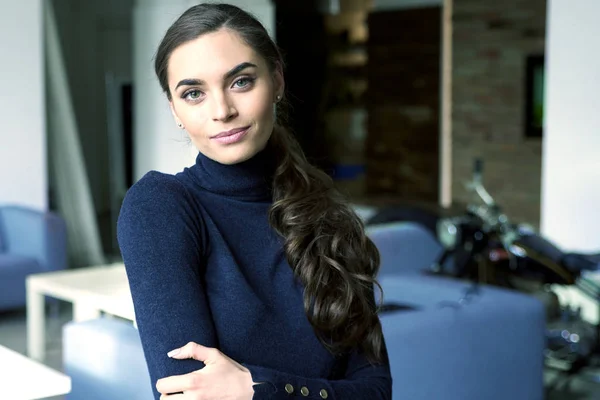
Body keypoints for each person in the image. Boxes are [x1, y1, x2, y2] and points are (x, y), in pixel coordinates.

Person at [117, 3, 392, 399]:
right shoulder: (160, 207)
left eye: (241, 82)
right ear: (175, 110)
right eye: (194, 93)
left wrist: (257, 388)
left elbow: (377, 391)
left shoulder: (329, 215)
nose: (222, 111)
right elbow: (186, 395)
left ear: (277, 80)